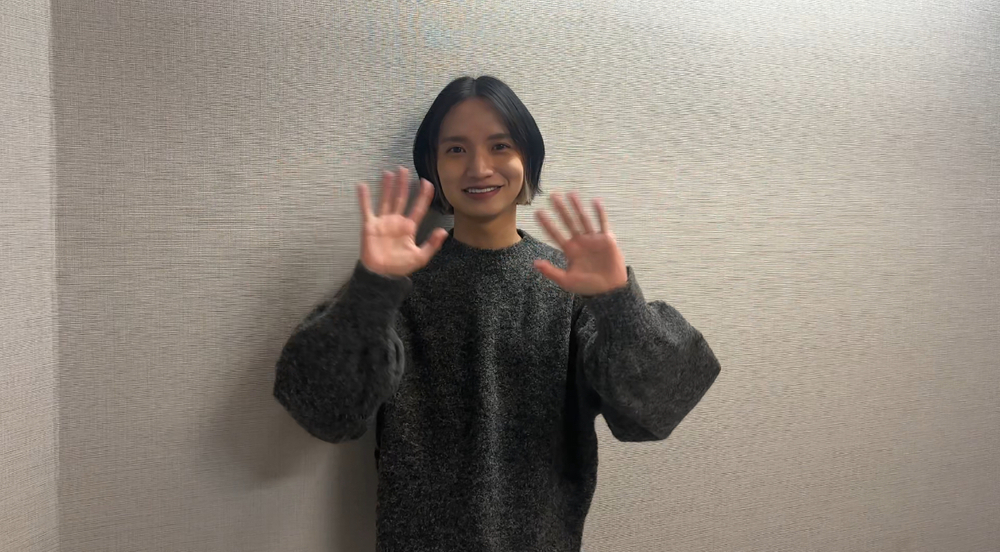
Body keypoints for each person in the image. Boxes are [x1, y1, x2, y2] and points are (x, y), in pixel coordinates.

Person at [273, 75, 721, 552]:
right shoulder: (398, 284)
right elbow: (323, 411)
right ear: (432, 166)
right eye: (456, 150)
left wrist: (617, 303)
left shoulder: (568, 285)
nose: (479, 167)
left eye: (500, 146)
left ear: (528, 158)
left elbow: (658, 409)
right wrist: (371, 290)